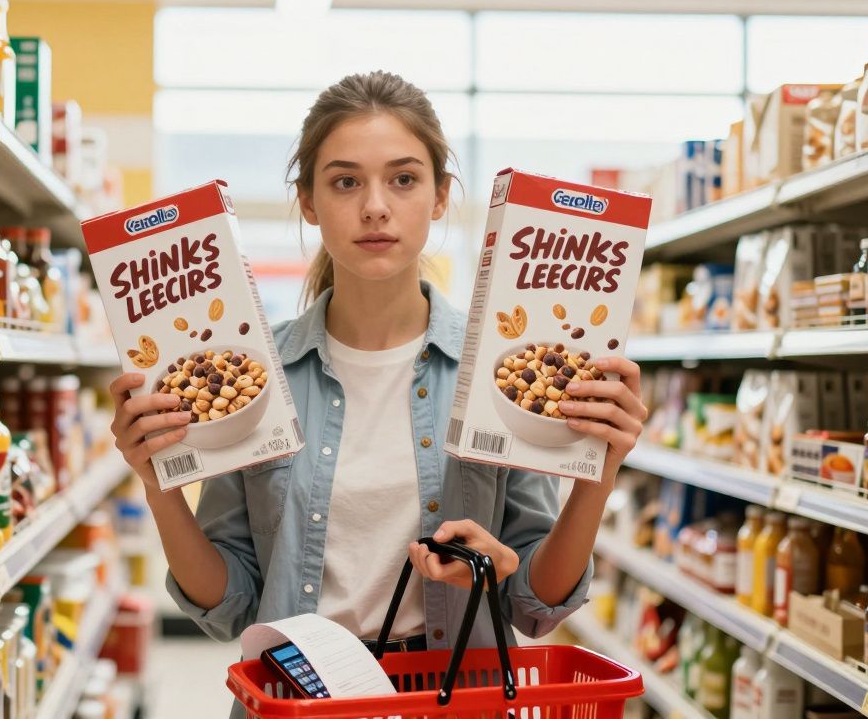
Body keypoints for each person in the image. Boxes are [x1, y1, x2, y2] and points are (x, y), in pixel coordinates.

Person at [108, 70, 646, 688]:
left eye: (404, 179)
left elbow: (534, 602)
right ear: (308, 201)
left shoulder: (500, 372)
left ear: (440, 196)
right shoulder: (259, 378)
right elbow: (228, 603)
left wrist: (596, 477)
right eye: (344, 182)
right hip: (298, 696)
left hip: (450, 698)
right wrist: (160, 488)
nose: (375, 206)